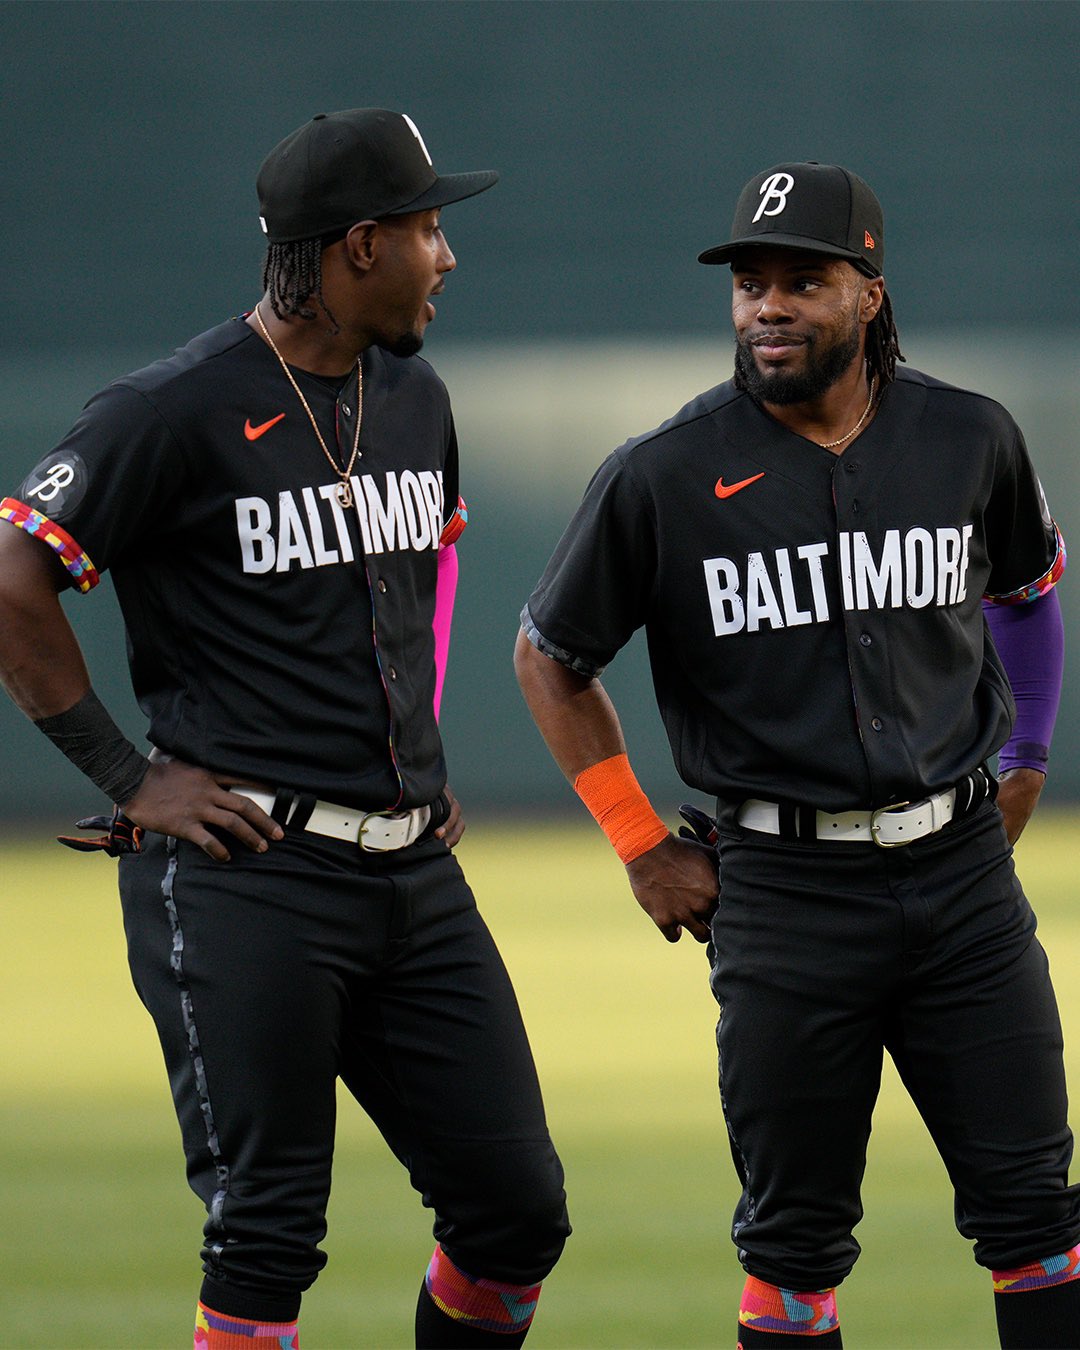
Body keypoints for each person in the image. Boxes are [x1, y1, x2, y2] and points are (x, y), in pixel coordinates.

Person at [0, 108, 568, 1350]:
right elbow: (12, 571)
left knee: (516, 1213)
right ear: (361, 246)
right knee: (267, 1230)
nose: (448, 255)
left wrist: (413, 740)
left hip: (412, 874)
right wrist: (124, 774)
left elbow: (430, 562)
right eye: (429, 229)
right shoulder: (174, 407)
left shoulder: (413, 396)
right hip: (249, 874)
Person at [514, 161, 1078, 1348]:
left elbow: (1028, 595)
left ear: (868, 293)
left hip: (964, 882)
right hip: (786, 892)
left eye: (802, 281)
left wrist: (1026, 752)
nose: (768, 306)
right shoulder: (663, 474)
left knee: (1038, 1221)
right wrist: (636, 843)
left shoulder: (970, 436)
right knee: (795, 1244)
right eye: (751, 284)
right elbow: (548, 656)